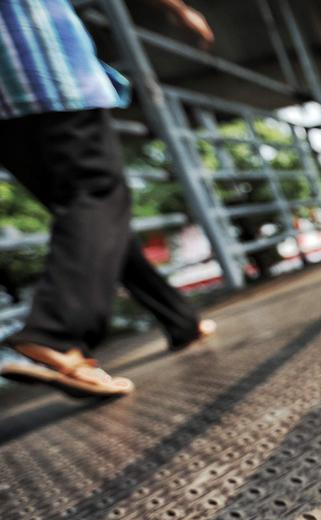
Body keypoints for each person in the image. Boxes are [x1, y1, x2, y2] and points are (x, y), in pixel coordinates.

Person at [0, 0, 215, 397]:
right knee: (97, 198)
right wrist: (180, 9)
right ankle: (56, 335)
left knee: (95, 220)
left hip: (5, 108)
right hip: (46, 72)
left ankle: (180, 318)